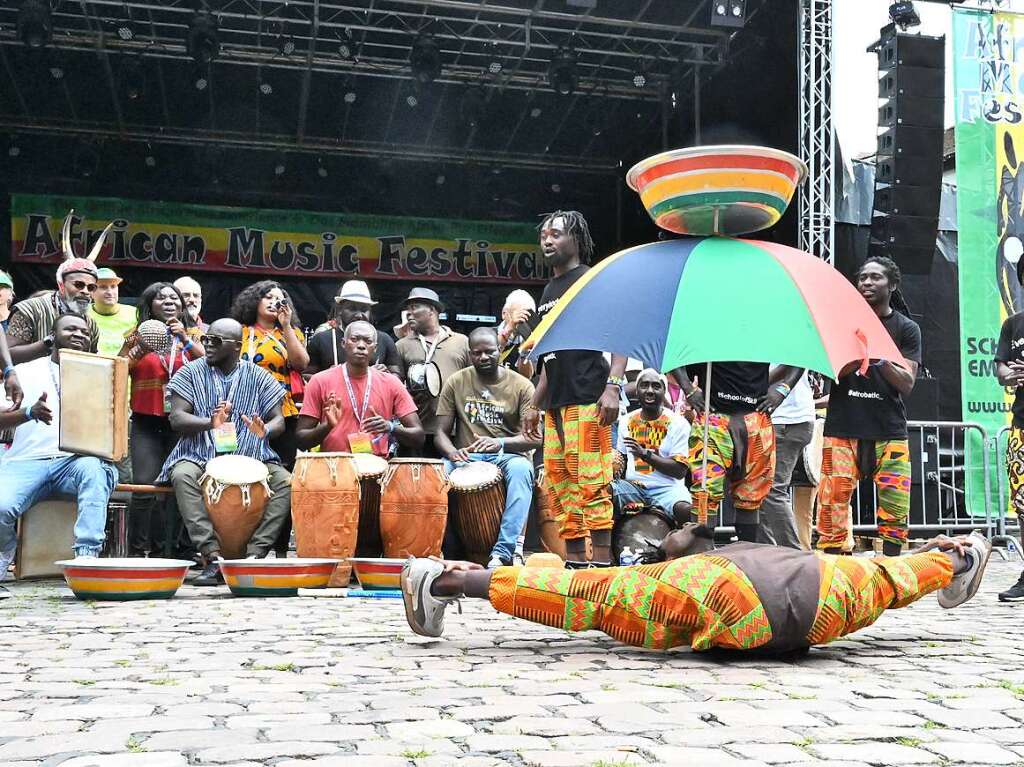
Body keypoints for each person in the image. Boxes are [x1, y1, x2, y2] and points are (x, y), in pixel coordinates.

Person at [400, 527, 992, 653]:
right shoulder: (839, 572)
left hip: (732, 593)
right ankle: (955, 555)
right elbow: (888, 576)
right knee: (887, 576)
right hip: (808, 605)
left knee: (589, 592)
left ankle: (450, 580)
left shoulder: (704, 563)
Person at [521, 211, 627, 568]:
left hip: (589, 397)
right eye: (543, 236)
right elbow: (551, 355)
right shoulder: (549, 291)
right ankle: (576, 564)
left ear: (576, 241)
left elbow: (619, 334)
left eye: (556, 234)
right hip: (555, 404)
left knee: (593, 482)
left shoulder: (590, 281)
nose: (547, 241)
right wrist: (534, 403)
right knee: (560, 484)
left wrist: (613, 387)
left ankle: (601, 566)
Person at [157, 318, 291, 586]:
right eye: (206, 339)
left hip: (252, 453)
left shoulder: (259, 376)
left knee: (287, 482)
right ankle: (212, 557)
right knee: (182, 475)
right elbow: (177, 419)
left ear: (237, 346)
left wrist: (266, 430)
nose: (207, 344)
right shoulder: (189, 373)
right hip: (198, 453)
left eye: (215, 341)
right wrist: (210, 422)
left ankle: (253, 556)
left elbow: (280, 419)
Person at [816, 257, 921, 557]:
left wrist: (880, 357)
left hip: (888, 429)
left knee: (895, 509)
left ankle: (889, 572)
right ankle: (835, 575)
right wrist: (857, 353)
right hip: (843, 426)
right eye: (862, 277)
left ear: (892, 285)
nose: (867, 283)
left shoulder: (906, 329)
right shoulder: (842, 324)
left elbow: (907, 383)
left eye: (875, 277)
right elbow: (833, 371)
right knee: (832, 508)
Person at [0, 313, 118, 581]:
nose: (79, 334)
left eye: (85, 332)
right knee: (1, 507)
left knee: (94, 469)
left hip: (75, 462)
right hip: (26, 461)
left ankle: (86, 557)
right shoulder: (26, 372)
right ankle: (5, 549)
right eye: (71, 329)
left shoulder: (102, 373)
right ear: (52, 337)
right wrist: (29, 412)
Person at [433, 327, 541, 567]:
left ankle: (504, 551)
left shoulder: (522, 386)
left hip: (507, 455)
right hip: (465, 456)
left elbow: (535, 438)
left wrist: (499, 443)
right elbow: (440, 432)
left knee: (523, 470)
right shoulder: (457, 381)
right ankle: (437, 547)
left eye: (489, 352)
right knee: (437, 474)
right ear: (469, 354)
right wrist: (451, 452)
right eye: (477, 353)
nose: (483, 357)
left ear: (500, 350)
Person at [676, 360, 804, 542]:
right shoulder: (704, 331)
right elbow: (677, 354)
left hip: (755, 422)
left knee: (750, 496)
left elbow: (800, 355)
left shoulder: (767, 331)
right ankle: (702, 559)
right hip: (713, 420)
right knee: (704, 493)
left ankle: (746, 557)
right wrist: (688, 389)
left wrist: (782, 390)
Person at [119, 283, 205, 556]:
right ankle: (137, 551)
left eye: (173, 297)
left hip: (183, 421)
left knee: (177, 484)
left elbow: (209, 365)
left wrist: (187, 340)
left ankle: (169, 551)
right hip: (146, 419)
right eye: (160, 297)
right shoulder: (136, 334)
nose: (168, 301)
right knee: (145, 484)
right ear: (150, 304)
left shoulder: (195, 334)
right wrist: (141, 348)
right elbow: (119, 370)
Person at [297, 321, 424, 455]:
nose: (361, 346)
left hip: (377, 468)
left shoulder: (391, 382)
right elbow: (301, 440)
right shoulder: (319, 381)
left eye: (368, 341)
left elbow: (418, 436)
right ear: (343, 343)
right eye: (355, 339)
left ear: (375, 348)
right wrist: (327, 426)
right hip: (334, 467)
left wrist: (390, 427)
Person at [230, 280, 309, 469]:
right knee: (242, 464)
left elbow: (301, 363)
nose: (274, 302)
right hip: (243, 405)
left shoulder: (292, 332)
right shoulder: (239, 331)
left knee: (280, 465)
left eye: (280, 300)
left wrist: (287, 325)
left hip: (281, 409)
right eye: (269, 297)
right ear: (255, 301)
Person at [395, 287, 471, 456]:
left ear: (432, 310)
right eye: (408, 308)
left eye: (415, 307)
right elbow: (396, 386)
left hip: (455, 431)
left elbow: (474, 382)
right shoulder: (402, 345)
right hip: (418, 431)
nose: (409, 313)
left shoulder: (461, 342)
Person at [611, 369, 692, 526]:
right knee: (604, 494)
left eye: (656, 386)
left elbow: (680, 471)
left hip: (667, 489)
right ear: (637, 391)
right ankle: (608, 549)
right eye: (644, 385)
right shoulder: (626, 421)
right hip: (634, 488)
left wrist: (645, 455)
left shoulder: (678, 423)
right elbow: (623, 460)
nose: (649, 391)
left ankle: (684, 548)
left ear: (664, 392)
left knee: (686, 510)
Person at [758, 368, 816, 549]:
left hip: (786, 420)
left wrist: (755, 381)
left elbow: (797, 361)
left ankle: (793, 554)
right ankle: (770, 554)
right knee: (758, 491)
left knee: (772, 490)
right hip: (779, 419)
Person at [993, 258, 1024, 600]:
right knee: (1023, 505)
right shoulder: (1014, 325)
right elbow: (1000, 366)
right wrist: (1008, 375)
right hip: (1022, 428)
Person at [7, 256, 102, 362]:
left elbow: (92, 361)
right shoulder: (30, 310)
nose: (85, 291)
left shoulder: (91, 325)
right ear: (61, 286)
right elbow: (7, 355)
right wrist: (48, 342)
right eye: (79, 285)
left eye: (91, 287)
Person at [305, 280, 401, 377]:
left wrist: (383, 375)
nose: (359, 315)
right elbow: (306, 375)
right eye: (352, 309)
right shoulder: (321, 339)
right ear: (339, 310)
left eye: (364, 310)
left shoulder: (384, 340)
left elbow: (397, 375)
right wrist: (328, 376)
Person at [89, 268, 137, 357]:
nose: (110, 292)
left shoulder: (135, 314)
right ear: (91, 292)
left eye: (113, 286)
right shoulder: (82, 313)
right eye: (103, 287)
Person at [496, 289, 536, 379]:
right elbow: (489, 358)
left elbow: (527, 377)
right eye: (518, 314)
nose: (521, 319)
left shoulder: (532, 341)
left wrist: (526, 348)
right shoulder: (488, 335)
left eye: (527, 315)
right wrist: (509, 328)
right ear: (504, 313)